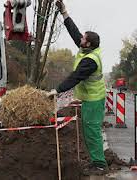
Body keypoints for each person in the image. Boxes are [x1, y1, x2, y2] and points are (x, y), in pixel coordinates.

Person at [46, 0, 108, 176]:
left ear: (87, 44)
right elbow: (74, 32)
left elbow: (75, 77)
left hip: (94, 100)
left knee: (93, 131)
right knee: (89, 131)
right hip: (90, 99)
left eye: (83, 38)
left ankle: (100, 165)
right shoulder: (87, 49)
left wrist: (56, 90)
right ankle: (96, 162)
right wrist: (64, 13)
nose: (80, 38)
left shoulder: (90, 60)